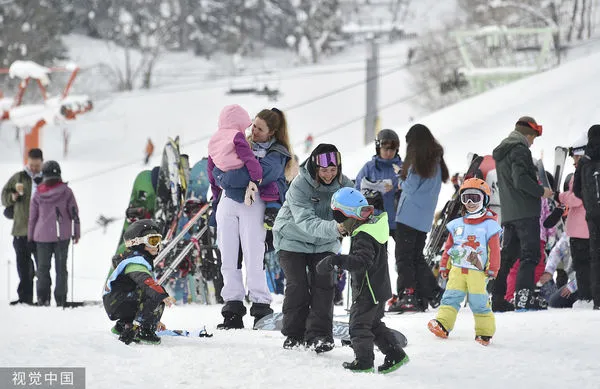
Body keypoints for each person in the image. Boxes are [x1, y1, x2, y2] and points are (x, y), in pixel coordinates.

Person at [209, 106, 292, 328]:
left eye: (259, 128)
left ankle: (260, 306)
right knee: (228, 256)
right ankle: (232, 306)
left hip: (253, 203)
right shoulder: (238, 140)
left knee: (254, 256)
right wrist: (220, 176)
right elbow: (214, 162)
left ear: (272, 132)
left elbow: (263, 173)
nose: (253, 131)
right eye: (253, 125)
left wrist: (225, 178)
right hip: (228, 203)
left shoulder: (278, 152)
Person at [316, 187, 409, 373]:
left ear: (350, 216)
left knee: (358, 325)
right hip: (378, 287)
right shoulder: (372, 227)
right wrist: (346, 265)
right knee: (373, 324)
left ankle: (364, 362)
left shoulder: (364, 235)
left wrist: (336, 260)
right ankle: (395, 354)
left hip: (368, 291)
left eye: (340, 217)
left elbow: (362, 261)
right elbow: (367, 261)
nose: (339, 223)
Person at [273, 143, 353, 352]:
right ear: (315, 168)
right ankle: (294, 334)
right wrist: (337, 228)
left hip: (324, 243)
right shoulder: (300, 185)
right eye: (324, 170)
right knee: (298, 285)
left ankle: (320, 335)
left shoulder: (346, 186)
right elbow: (307, 221)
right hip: (292, 239)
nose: (328, 175)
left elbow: (356, 212)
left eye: (333, 170)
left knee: (324, 285)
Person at [427, 178, 501, 346]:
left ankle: (484, 333)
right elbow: (449, 246)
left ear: (485, 200)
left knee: (478, 302)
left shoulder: (489, 225)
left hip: (477, 271)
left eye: (475, 198)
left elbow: (494, 249)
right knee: (450, 297)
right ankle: (443, 324)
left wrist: (493, 268)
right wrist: (445, 264)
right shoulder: (457, 224)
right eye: (466, 198)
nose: (470, 203)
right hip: (457, 269)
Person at [491, 116, 554, 312]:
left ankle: (498, 298)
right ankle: (524, 298)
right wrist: (541, 191)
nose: (533, 142)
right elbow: (521, 180)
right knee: (530, 256)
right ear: (527, 134)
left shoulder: (503, 151)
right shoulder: (520, 149)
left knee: (507, 258)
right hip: (526, 212)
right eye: (533, 137)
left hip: (509, 213)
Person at [394, 124, 448, 312]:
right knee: (416, 257)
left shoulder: (418, 161)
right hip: (423, 218)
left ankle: (408, 294)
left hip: (408, 216)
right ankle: (429, 293)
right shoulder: (436, 161)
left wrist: (399, 178)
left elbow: (410, 187)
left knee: (404, 258)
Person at [103, 219, 176, 344]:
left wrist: (155, 320)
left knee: (150, 293)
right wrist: (162, 295)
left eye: (158, 241)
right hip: (119, 301)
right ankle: (144, 331)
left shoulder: (134, 259)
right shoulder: (136, 262)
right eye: (152, 241)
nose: (157, 246)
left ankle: (123, 325)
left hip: (117, 301)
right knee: (155, 294)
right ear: (139, 243)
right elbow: (145, 281)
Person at [28, 160, 80, 307]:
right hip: (62, 236)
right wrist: (76, 232)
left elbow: (32, 218)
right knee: (61, 269)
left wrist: (30, 238)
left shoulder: (38, 193)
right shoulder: (67, 192)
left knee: (42, 269)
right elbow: (74, 214)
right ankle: (61, 299)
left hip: (41, 237)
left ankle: (43, 298)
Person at [2, 148, 43, 305]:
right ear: (28, 162)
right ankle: (25, 299)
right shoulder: (18, 178)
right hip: (20, 230)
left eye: (37, 165)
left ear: (42, 162)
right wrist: (12, 196)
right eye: (31, 165)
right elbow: (4, 198)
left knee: (42, 269)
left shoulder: (46, 178)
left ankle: (42, 298)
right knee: (23, 268)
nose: (33, 168)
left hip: (41, 232)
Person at [557, 133, 592, 303]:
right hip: (588, 227)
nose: (574, 161)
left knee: (582, 265)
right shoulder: (592, 171)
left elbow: (576, 198)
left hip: (580, 229)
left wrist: (560, 197)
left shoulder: (581, 173)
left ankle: (586, 297)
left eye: (575, 157)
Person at [573, 124, 600, 309]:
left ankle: (597, 300)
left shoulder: (583, 161)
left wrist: (590, 203)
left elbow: (576, 190)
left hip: (593, 215)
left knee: (596, 256)